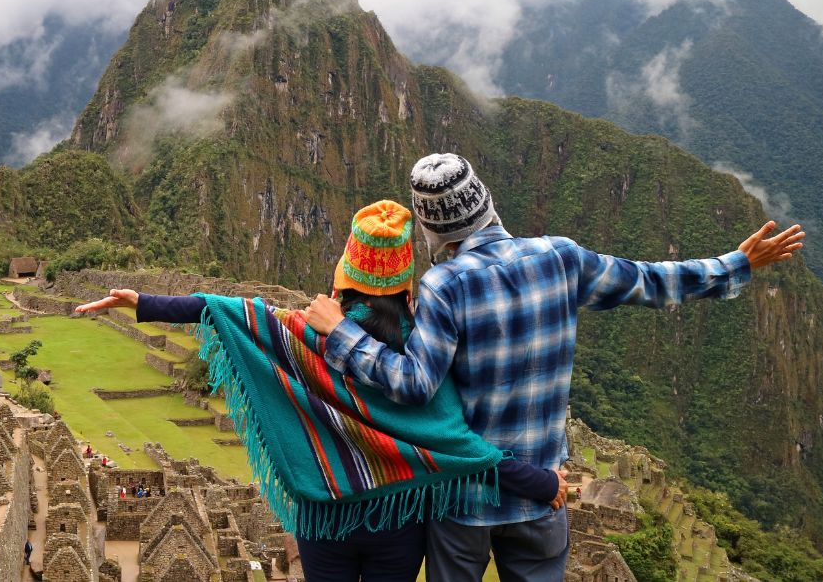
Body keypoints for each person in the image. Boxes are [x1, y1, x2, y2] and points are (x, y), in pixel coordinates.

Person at [300, 153, 804, 581]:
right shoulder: (560, 257)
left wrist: (340, 332)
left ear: (429, 229)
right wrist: (735, 265)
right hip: (542, 490)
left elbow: (414, 384)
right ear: (488, 203)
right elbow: (650, 281)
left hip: (463, 502)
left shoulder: (445, 286)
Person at [77, 200, 566, 581]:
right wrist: (540, 483)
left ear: (344, 278)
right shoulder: (421, 348)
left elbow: (232, 311)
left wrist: (144, 301)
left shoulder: (301, 335)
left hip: (322, 518)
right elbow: (456, 442)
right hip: (396, 520)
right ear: (405, 287)